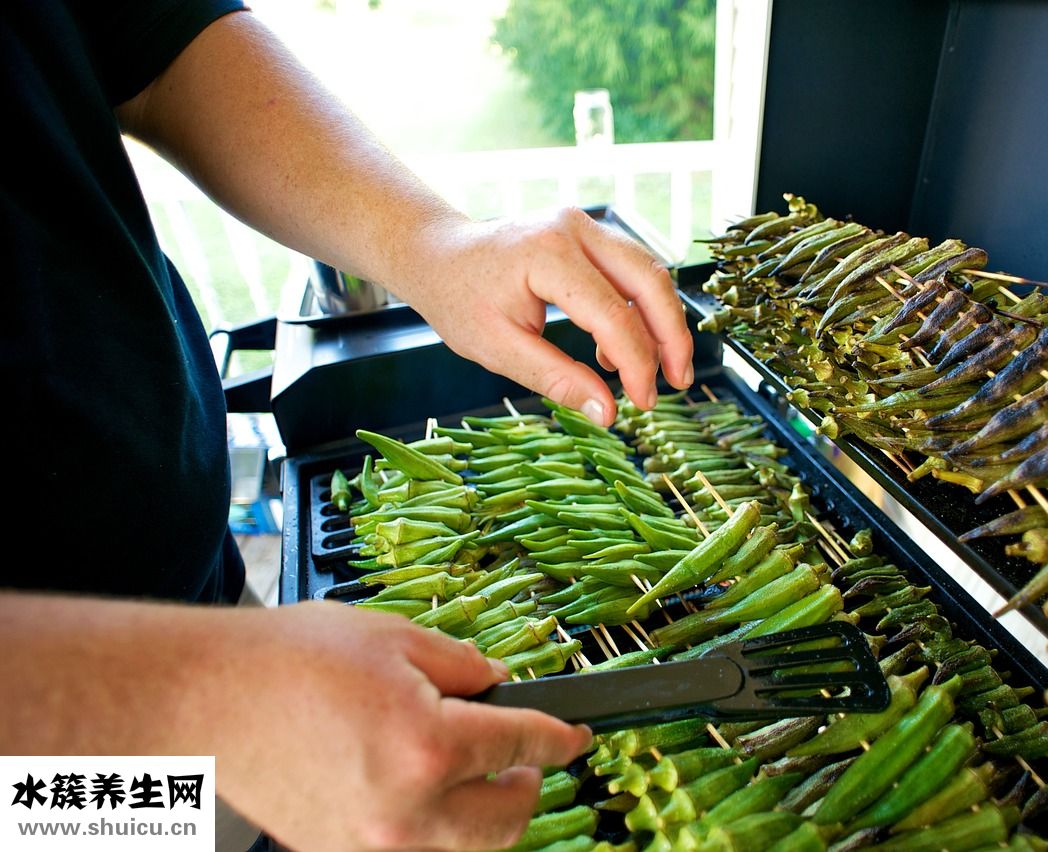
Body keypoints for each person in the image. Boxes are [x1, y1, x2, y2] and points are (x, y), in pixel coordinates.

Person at [0, 2, 694, 850]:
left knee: (284, 808)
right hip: (38, 780)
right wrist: (190, 702)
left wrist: (434, 243)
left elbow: (153, 35)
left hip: (190, 599)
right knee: (208, 825)